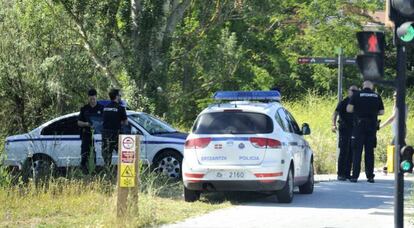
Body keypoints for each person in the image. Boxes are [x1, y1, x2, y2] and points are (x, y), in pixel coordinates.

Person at [347, 80, 384, 183]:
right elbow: (382, 112)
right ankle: (370, 176)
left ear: (363, 86)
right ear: (372, 86)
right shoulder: (377, 96)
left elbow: (349, 109)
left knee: (357, 151)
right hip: (371, 126)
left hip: (359, 126)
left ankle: (355, 176)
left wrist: (359, 111)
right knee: (369, 152)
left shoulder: (357, 95)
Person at [332, 85, 358, 181]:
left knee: (352, 151)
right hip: (344, 129)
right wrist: (333, 125)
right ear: (348, 91)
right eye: (352, 90)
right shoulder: (343, 102)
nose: (354, 92)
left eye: (356, 91)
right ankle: (340, 173)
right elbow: (335, 113)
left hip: (354, 129)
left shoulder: (357, 103)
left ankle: (347, 173)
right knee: (343, 150)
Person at [77, 88, 104, 174]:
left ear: (96, 97)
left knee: (95, 152)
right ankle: (84, 170)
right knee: (85, 152)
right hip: (86, 134)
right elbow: (79, 122)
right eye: (90, 99)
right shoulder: (84, 108)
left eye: (94, 98)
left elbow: (106, 122)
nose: (92, 100)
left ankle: (94, 170)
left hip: (98, 135)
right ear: (88, 98)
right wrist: (86, 124)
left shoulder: (102, 108)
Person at [102, 89, 128, 169]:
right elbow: (126, 122)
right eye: (120, 96)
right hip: (116, 134)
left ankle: (107, 171)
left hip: (105, 134)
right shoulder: (120, 108)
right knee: (123, 154)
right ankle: (122, 172)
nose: (120, 97)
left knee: (107, 155)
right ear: (116, 96)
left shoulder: (105, 108)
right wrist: (119, 122)